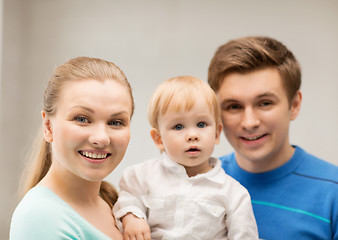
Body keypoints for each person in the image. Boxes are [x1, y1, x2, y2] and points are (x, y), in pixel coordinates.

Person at [208, 36, 338, 239]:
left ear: (294, 105)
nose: (249, 122)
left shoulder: (333, 192)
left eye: (265, 103)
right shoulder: (199, 182)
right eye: (234, 106)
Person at [113, 76, 258, 240]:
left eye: (201, 124)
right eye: (178, 126)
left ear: (217, 134)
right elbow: (128, 198)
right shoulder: (141, 176)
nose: (192, 135)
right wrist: (133, 217)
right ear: (159, 139)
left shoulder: (234, 194)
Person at [10, 56, 134, 240]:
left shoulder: (119, 205)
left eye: (115, 122)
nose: (101, 138)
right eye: (82, 119)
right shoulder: (40, 218)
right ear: (48, 127)